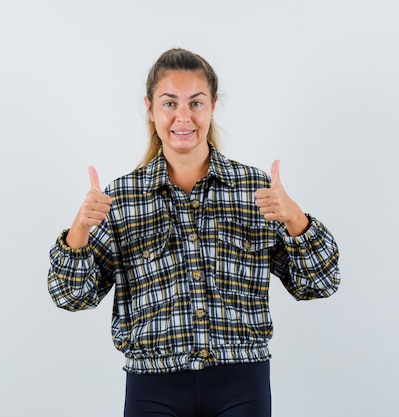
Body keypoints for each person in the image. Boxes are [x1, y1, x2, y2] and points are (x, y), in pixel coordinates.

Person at [48, 48, 340, 417]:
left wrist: (296, 218)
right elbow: (72, 296)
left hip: (242, 382)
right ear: (150, 108)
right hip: (152, 386)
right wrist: (79, 230)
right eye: (169, 103)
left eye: (196, 103)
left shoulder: (254, 189)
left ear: (213, 105)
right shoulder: (119, 198)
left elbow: (320, 283)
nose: (183, 117)